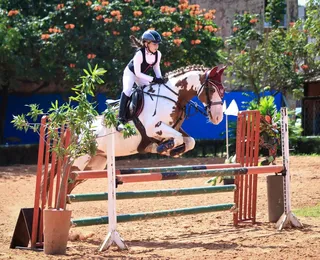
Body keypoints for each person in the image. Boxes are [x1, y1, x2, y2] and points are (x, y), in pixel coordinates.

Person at [117, 30, 166, 132]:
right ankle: (120, 120)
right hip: (131, 73)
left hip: (141, 75)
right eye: (154, 44)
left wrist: (160, 79)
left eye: (157, 44)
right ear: (146, 44)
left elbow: (156, 68)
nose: (156, 46)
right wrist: (154, 79)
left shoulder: (158, 54)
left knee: (151, 90)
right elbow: (137, 73)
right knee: (127, 90)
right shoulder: (139, 54)